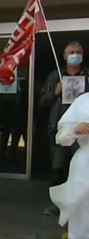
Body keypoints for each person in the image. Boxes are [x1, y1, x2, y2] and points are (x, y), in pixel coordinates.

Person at [40, 41, 86, 216]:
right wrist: (55, 93)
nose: (75, 55)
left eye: (78, 52)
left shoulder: (87, 76)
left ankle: (78, 203)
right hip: (59, 129)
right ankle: (56, 204)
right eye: (71, 52)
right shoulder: (55, 77)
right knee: (58, 168)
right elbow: (42, 102)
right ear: (65, 57)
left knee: (79, 168)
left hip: (83, 131)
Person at [50, 93, 89, 238]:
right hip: (85, 164)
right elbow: (61, 136)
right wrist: (75, 130)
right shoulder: (83, 101)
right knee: (81, 209)